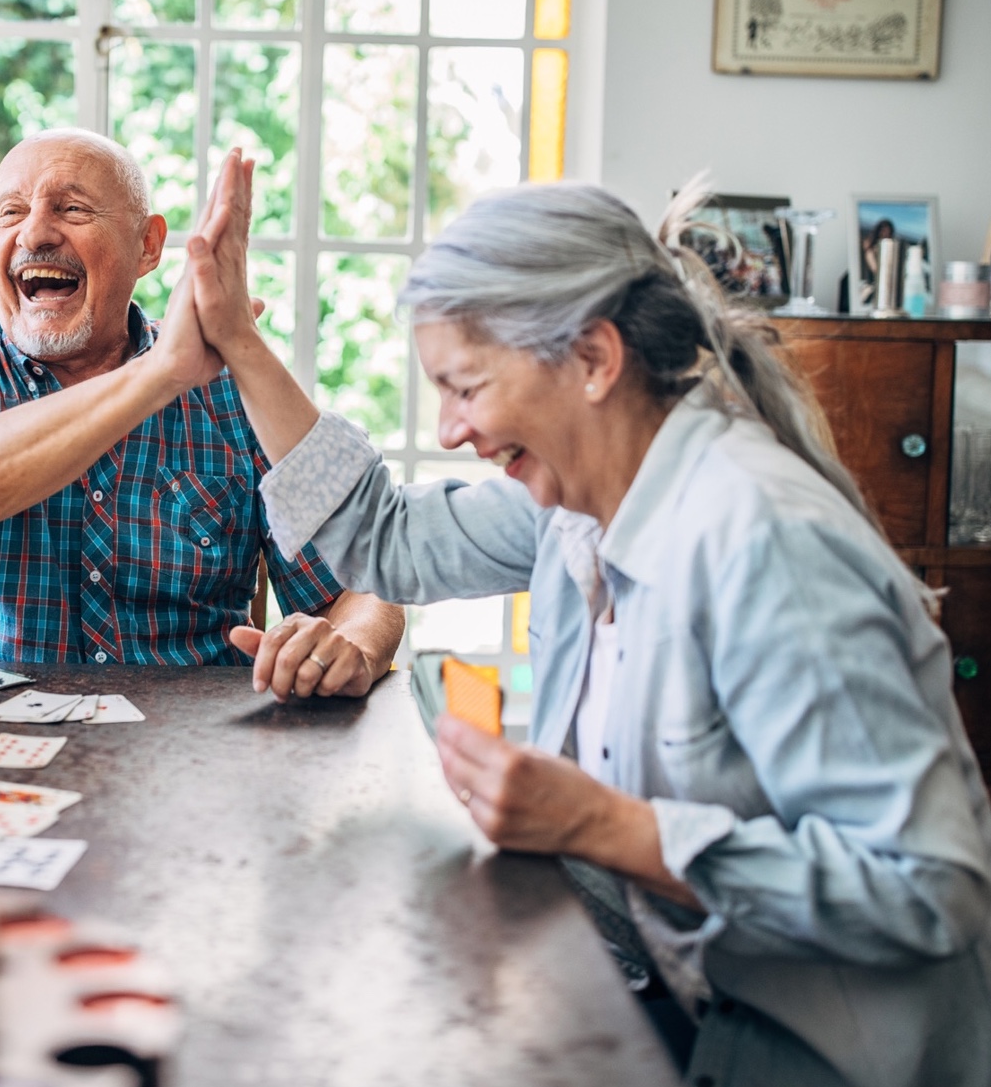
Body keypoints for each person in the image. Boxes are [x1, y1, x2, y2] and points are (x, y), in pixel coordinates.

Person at [181, 154, 991, 1087]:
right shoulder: (574, 504)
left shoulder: (762, 541)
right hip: (667, 996)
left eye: (466, 387)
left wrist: (605, 826)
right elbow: (383, 537)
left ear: (595, 360)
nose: (449, 429)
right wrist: (239, 340)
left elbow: (928, 887)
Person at [0, 129, 403, 698]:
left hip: (190, 755)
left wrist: (352, 646)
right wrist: (160, 374)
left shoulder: (238, 396)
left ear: (147, 247)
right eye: (11, 212)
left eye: (72, 208)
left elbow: (362, 583)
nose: (35, 232)